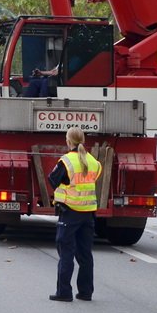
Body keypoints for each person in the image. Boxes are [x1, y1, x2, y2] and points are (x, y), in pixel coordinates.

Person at [47, 126, 102, 302]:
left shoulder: (66, 161)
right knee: (85, 254)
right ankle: (86, 293)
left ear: (68, 140)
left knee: (66, 253)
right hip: (88, 213)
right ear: (83, 140)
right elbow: (94, 178)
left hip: (70, 212)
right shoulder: (93, 161)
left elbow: (52, 180)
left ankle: (64, 292)